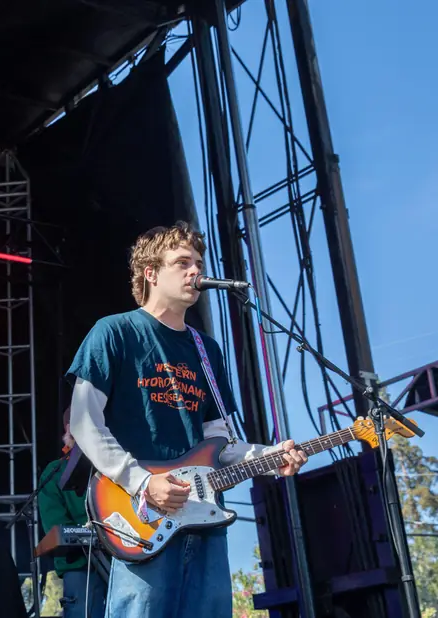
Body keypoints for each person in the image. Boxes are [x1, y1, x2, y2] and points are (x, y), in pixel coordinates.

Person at [65, 221, 308, 618]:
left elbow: (220, 444)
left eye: (198, 262)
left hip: (205, 517)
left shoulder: (206, 350)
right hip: (140, 513)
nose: (196, 271)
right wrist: (143, 482)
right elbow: (84, 422)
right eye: (182, 262)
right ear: (151, 273)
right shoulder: (114, 332)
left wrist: (271, 454)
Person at [37, 407, 106, 618]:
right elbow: (56, 528)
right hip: (81, 565)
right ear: (70, 430)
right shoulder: (54, 473)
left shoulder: (115, 466)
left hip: (127, 557)